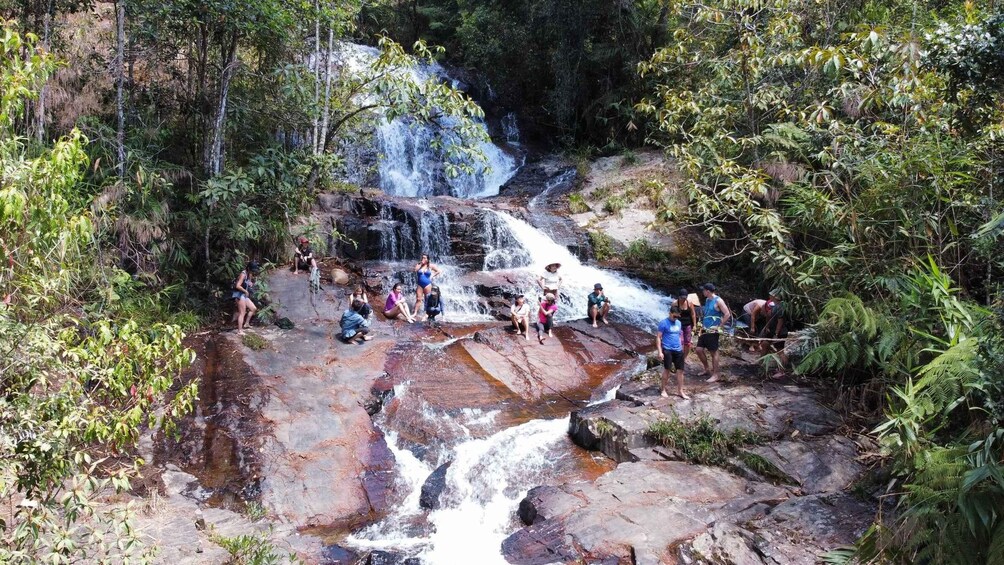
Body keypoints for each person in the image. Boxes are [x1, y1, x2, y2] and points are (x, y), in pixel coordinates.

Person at [695, 283, 731, 383]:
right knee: (698, 349)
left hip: (713, 330)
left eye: (704, 290)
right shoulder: (707, 300)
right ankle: (707, 369)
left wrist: (720, 326)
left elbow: (727, 314)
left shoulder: (718, 300)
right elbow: (707, 313)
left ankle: (716, 374)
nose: (702, 292)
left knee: (713, 352)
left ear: (708, 291)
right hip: (705, 328)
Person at [657, 306, 689, 399]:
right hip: (667, 349)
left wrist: (682, 346)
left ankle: (680, 391)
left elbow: (679, 335)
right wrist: (660, 352)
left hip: (678, 349)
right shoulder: (663, 323)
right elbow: (658, 337)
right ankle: (663, 389)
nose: (676, 318)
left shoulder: (678, 323)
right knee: (667, 369)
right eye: (674, 316)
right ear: (670, 313)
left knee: (680, 371)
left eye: (678, 317)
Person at [232, 261, 260, 335]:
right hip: (239, 294)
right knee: (242, 312)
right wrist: (245, 291)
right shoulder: (243, 274)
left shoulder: (249, 274)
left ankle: (246, 324)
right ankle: (239, 331)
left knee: (253, 308)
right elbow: (237, 285)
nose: (253, 272)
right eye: (253, 270)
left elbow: (248, 282)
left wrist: (250, 284)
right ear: (249, 268)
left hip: (244, 294)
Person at [414, 254, 442, 319]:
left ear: (427, 259)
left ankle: (426, 314)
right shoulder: (419, 265)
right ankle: (415, 313)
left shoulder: (430, 266)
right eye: (422, 257)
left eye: (424, 258)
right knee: (418, 299)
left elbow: (438, 271)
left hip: (428, 285)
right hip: (420, 285)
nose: (423, 259)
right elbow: (415, 270)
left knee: (427, 299)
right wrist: (421, 263)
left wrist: (432, 276)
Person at [675, 288, 697, 359]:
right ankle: (679, 358)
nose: (683, 299)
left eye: (685, 298)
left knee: (687, 343)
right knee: (680, 341)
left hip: (687, 324)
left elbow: (693, 314)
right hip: (678, 325)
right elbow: (671, 314)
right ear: (679, 296)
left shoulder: (689, 303)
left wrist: (694, 325)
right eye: (682, 298)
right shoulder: (675, 303)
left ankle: (684, 358)